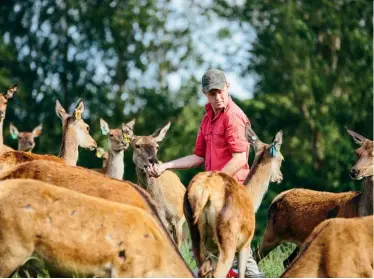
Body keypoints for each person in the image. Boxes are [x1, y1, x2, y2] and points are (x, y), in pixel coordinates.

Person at [146, 68, 265, 278]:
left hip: (233, 192)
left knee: (235, 249)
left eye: (220, 91)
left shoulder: (234, 116)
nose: (218, 97)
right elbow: (198, 157)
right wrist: (166, 166)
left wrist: (213, 181)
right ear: (205, 93)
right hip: (213, 193)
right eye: (212, 93)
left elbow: (240, 158)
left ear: (228, 87)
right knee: (216, 251)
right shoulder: (206, 120)